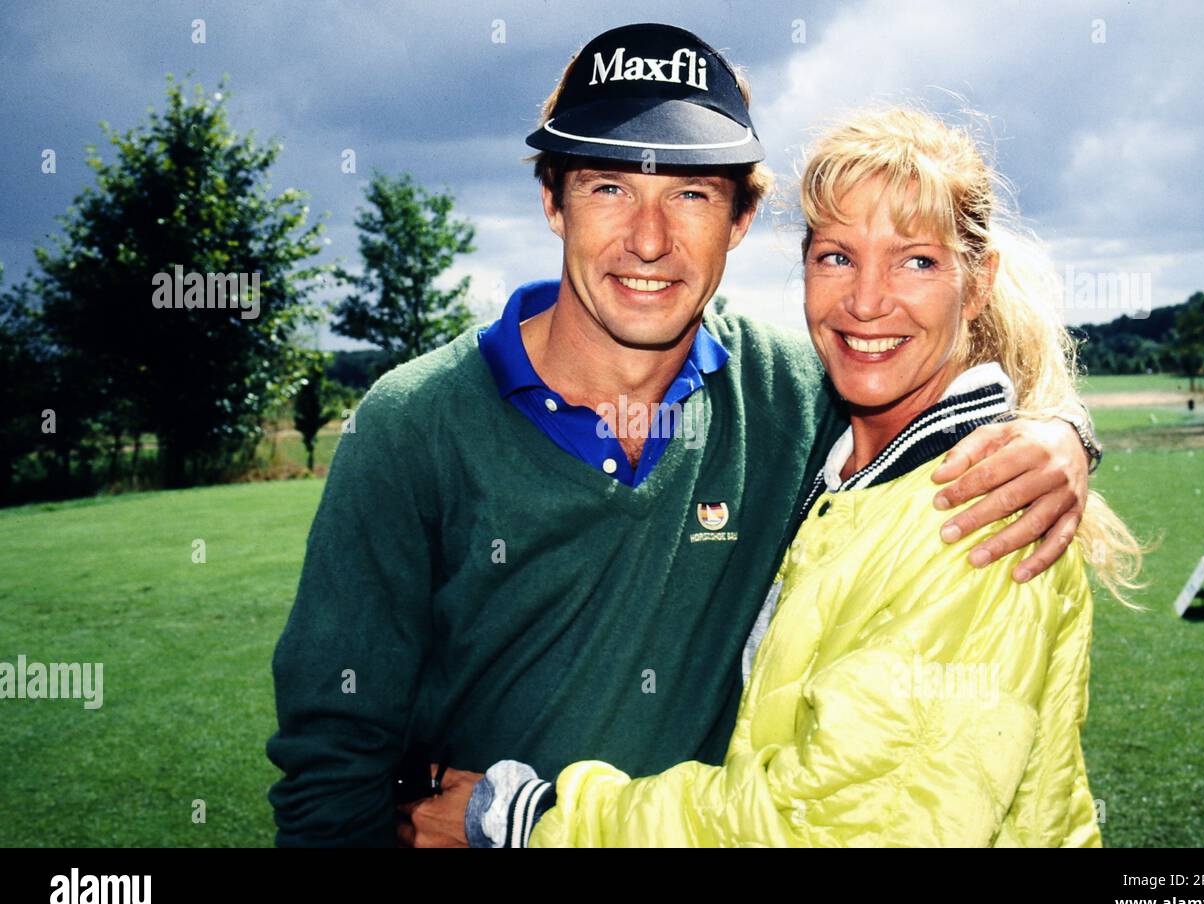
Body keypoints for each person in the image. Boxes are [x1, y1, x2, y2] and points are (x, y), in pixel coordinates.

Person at [265, 23, 1098, 848]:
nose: (650, 240)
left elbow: (921, 407)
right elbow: (332, 765)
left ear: (740, 220)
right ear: (552, 199)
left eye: (691, 194)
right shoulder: (413, 423)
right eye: (609, 187)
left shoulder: (794, 396)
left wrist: (1058, 432)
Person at [443, 106, 1144, 848]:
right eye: (836, 257)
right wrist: (1065, 428)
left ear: (976, 285)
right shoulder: (843, 454)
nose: (867, 301)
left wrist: (532, 820)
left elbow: (835, 830)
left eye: (916, 261)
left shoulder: (980, 508)